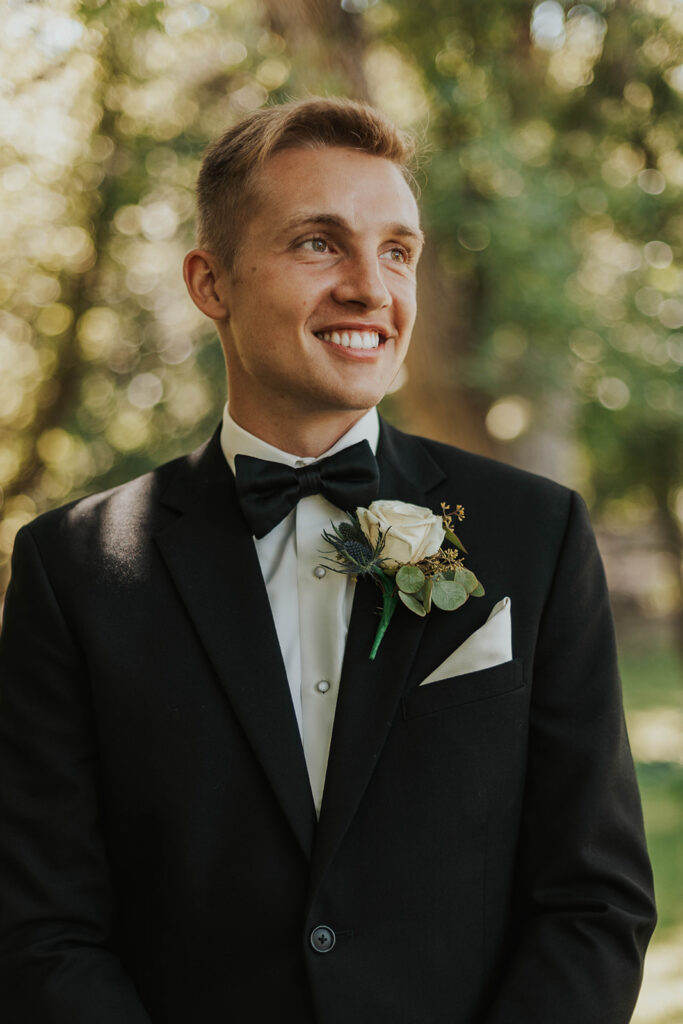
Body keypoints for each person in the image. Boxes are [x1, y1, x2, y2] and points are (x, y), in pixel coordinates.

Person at [0, 96, 656, 1023]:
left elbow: (594, 903)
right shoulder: (72, 568)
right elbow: (39, 926)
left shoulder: (534, 535)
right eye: (318, 242)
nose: (370, 288)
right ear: (210, 282)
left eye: (396, 250)